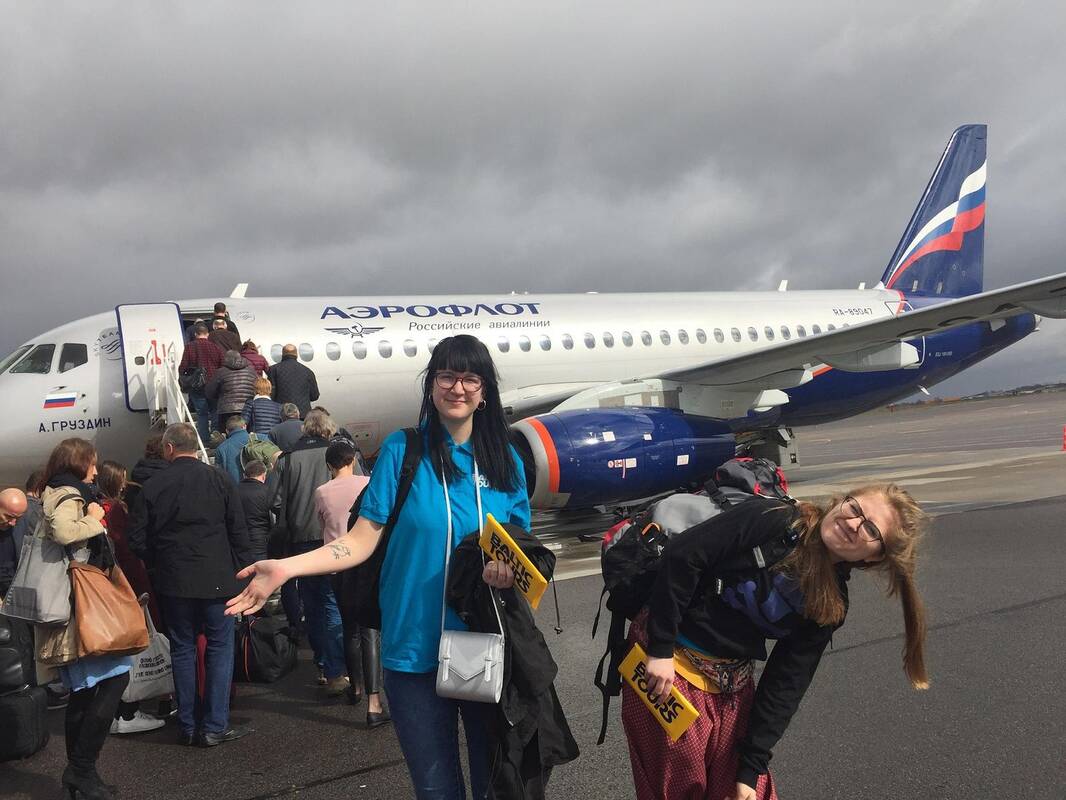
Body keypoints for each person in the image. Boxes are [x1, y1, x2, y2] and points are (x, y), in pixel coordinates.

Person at [227, 335, 531, 799]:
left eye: (470, 378)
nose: (458, 387)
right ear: (431, 385)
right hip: (412, 647)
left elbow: (520, 550)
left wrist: (507, 571)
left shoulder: (504, 459)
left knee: (495, 784)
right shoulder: (403, 450)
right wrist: (287, 568)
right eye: (447, 376)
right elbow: (359, 541)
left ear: (484, 390)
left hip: (480, 643)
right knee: (435, 789)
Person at [621, 488, 929, 800]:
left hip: (729, 681)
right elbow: (684, 555)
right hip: (667, 658)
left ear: (874, 557)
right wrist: (660, 649)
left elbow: (787, 681)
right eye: (855, 508)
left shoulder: (831, 603)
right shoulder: (774, 519)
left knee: (744, 791)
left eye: (871, 529)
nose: (853, 523)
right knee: (681, 781)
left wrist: (751, 767)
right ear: (840, 502)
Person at [128, 423, 255, 748]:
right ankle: (214, 725)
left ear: (169, 449)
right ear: (195, 448)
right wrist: (245, 575)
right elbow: (238, 532)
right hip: (218, 579)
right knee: (219, 649)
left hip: (174, 581)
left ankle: (187, 724)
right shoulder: (220, 479)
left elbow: (137, 539)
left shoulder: (153, 486)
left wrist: (159, 562)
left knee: (182, 650)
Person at [32, 438, 130, 799]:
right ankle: (81, 770)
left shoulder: (56, 490)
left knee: (85, 692)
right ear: (78, 463)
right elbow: (63, 532)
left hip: (75, 607)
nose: (95, 469)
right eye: (91, 462)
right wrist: (93, 518)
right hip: (81, 608)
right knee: (114, 680)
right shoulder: (69, 495)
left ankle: (81, 773)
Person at [273, 410, 347, 694]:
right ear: (329, 429)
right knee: (333, 603)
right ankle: (339, 668)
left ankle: (324, 665)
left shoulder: (288, 458)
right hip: (336, 538)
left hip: (301, 539)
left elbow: (274, 499)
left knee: (313, 605)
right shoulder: (340, 454)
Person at [315, 439, 388, 725]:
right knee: (370, 630)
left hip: (337, 564)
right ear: (353, 460)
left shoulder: (322, 492)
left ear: (329, 465)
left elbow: (322, 525)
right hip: (366, 562)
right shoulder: (367, 483)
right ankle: (374, 702)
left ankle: (355, 686)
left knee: (349, 629)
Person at [95, 461, 166, 736]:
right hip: (129, 582)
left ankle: (118, 711)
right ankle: (128, 711)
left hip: (107, 586)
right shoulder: (116, 510)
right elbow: (127, 549)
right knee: (136, 643)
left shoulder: (95, 508)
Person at [179, 322, 225, 446]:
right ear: (207, 334)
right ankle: (215, 436)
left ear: (195, 334)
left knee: (202, 413)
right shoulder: (215, 347)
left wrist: (185, 376)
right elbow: (222, 364)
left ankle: (204, 439)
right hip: (213, 384)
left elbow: (183, 367)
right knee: (215, 410)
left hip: (197, 385)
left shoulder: (190, 347)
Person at [206, 350, 258, 434]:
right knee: (246, 434)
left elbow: (210, 391)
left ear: (226, 359)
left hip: (226, 409)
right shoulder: (251, 371)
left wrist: (218, 397)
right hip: (247, 408)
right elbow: (258, 387)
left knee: (227, 434)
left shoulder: (221, 372)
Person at [266, 344, 320, 419]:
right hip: (303, 414)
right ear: (296, 354)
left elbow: (270, 394)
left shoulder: (273, 370)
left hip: (282, 414)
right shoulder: (308, 371)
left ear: (283, 354)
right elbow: (315, 396)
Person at [237, 460, 273, 563]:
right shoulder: (267, 491)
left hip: (240, 541)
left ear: (244, 475)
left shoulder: (233, 491)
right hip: (262, 541)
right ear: (263, 476)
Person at [0, 487, 29, 597]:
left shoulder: (20, 523)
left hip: (12, 590)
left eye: (18, 518)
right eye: (8, 516)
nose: (13, 523)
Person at [214, 416, 251, 485]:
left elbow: (219, 476)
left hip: (235, 489)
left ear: (227, 431)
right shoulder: (261, 439)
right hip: (263, 488)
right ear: (245, 426)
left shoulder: (221, 449)